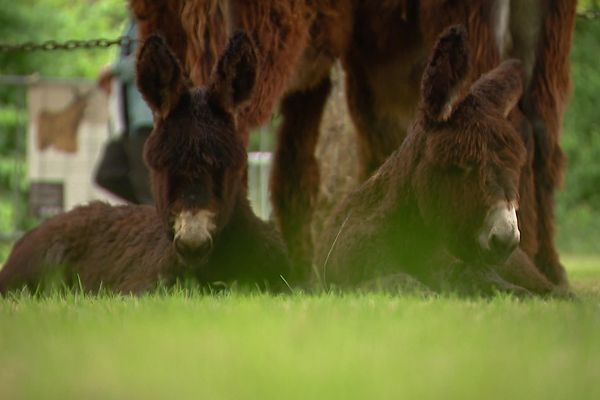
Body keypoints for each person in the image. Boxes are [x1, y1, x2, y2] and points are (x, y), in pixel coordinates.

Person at [96, 16, 153, 204]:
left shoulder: (155, 16)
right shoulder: (133, 21)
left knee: (147, 189)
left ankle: (155, 215)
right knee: (107, 173)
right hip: (130, 122)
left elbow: (149, 60)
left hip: (149, 120)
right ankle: (157, 211)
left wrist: (113, 69)